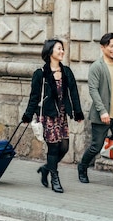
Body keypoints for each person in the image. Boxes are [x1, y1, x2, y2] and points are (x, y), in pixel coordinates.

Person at [22, 39, 84, 193]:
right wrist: (27, 116)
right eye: (59, 49)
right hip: (49, 115)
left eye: (62, 49)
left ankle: (46, 168)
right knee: (54, 148)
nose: (62, 51)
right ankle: (55, 179)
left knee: (64, 146)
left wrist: (77, 112)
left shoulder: (67, 72)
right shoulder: (40, 74)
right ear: (50, 52)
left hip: (62, 115)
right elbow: (34, 97)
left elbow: (74, 93)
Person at [77, 33, 113, 191]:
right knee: (96, 146)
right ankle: (82, 167)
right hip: (103, 116)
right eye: (112, 46)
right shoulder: (97, 66)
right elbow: (93, 90)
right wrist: (102, 111)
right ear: (103, 48)